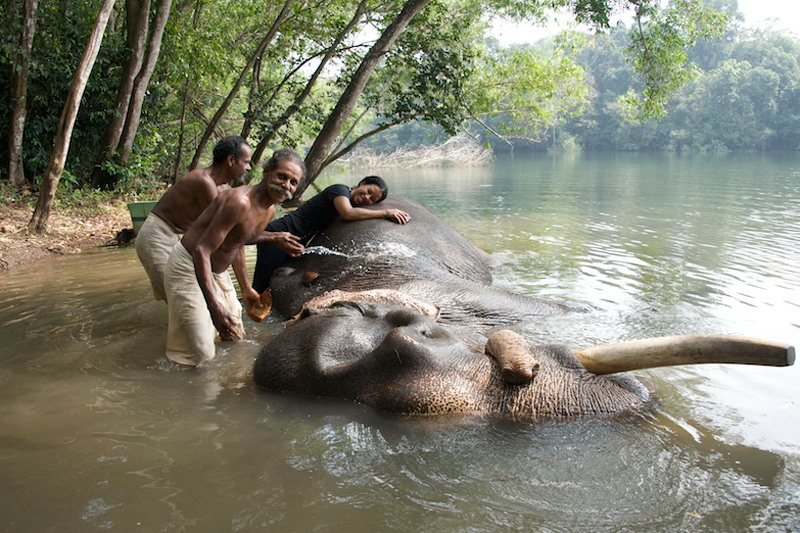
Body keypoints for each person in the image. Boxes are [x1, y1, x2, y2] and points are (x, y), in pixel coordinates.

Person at [162, 149, 304, 367]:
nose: (286, 186)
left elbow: (238, 240)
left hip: (217, 271)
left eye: (293, 182)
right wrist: (213, 306)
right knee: (201, 352)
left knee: (234, 334)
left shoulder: (269, 210)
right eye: (281, 177)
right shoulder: (239, 202)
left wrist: (246, 288)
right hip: (188, 265)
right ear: (266, 172)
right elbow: (201, 250)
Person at [135, 136, 252, 302]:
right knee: (183, 300)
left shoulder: (223, 189)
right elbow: (229, 235)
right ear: (231, 160)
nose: (248, 168)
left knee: (197, 298)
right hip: (158, 238)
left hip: (181, 239)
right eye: (246, 162)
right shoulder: (203, 181)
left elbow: (234, 238)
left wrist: (245, 288)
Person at [252, 176, 410, 293]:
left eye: (372, 199)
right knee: (262, 286)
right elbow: (348, 213)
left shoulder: (350, 202)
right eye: (368, 191)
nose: (367, 197)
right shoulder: (339, 190)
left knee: (276, 284)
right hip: (279, 233)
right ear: (362, 183)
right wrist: (386, 212)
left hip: (292, 240)